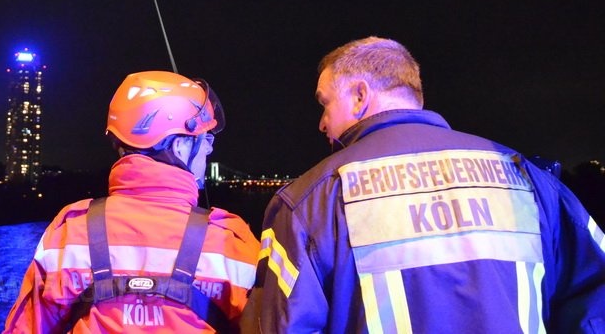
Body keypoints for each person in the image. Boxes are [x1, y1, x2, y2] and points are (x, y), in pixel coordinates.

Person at [241, 37, 605, 333]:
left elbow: (281, 325)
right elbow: (594, 295)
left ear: (359, 96)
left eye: (325, 104)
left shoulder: (311, 200)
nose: (322, 123)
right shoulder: (528, 180)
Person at [4, 70, 259, 333]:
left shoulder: (68, 232)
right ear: (180, 145)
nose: (209, 148)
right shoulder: (229, 239)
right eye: (205, 138)